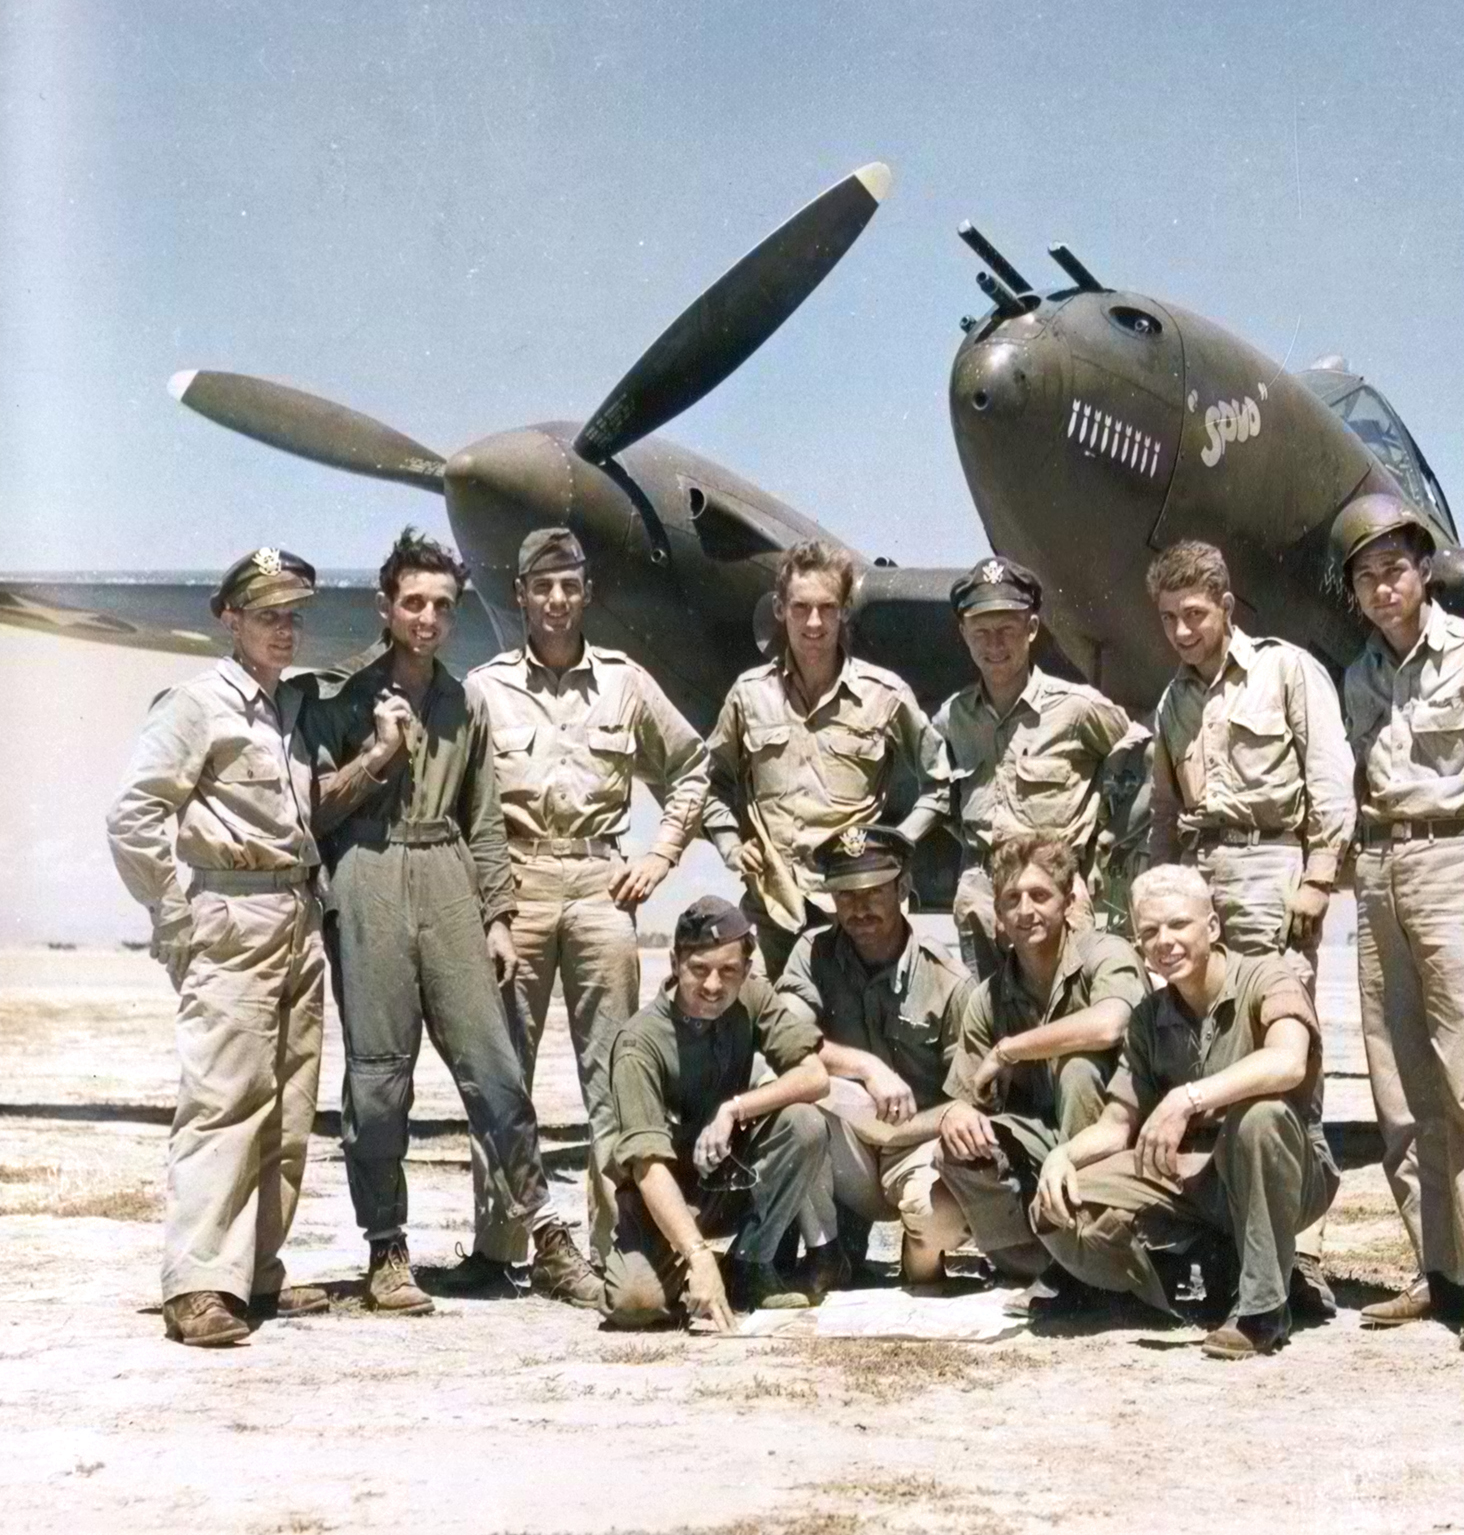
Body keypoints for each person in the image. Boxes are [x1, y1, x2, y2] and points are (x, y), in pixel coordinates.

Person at [303, 527, 601, 1314]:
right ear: (384, 607)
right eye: (413, 602)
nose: (427, 617)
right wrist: (379, 756)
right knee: (377, 1079)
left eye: (441, 604)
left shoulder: (464, 702)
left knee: (495, 1068)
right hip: (366, 876)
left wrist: (499, 917)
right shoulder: (340, 696)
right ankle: (386, 1249)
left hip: (448, 877)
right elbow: (314, 811)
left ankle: (545, 1233)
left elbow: (485, 818)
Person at [463, 526, 711, 1271]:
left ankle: (617, 1248)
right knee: (504, 1070)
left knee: (613, 1070)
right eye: (543, 587)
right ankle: (502, 1245)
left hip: (602, 885)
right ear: (521, 596)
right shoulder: (485, 689)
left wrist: (660, 855)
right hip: (518, 889)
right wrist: (491, 906)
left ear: (587, 594)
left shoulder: (626, 683)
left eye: (570, 586)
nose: (557, 601)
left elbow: (693, 766)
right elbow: (460, 801)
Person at [1335, 492, 1464, 1352]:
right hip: (1381, 868)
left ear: (1424, 572)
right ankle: (1440, 1272)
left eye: (1395, 571)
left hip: (1463, 862)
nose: (1383, 590)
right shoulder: (1359, 677)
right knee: (1401, 1087)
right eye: (1366, 579)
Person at [106, 548, 331, 1347]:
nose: (285, 628)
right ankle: (199, 1284)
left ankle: (255, 1276)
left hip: (296, 916)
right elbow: (134, 817)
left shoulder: (283, 711)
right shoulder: (199, 703)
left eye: (292, 615)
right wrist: (176, 917)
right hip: (231, 920)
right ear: (229, 619)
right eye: (267, 614)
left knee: (289, 1108)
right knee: (223, 1103)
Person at [1144, 538, 1354, 1318]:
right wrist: (1160, 892)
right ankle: (1232, 1246)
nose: (1181, 632)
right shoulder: (1170, 704)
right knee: (1208, 1044)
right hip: (1203, 875)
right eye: (1167, 619)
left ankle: (1292, 1260)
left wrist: (1319, 875)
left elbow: (1330, 773)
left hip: (1274, 872)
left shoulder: (1287, 670)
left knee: (1282, 1057)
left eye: (1193, 615)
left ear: (1226, 607)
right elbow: (1165, 815)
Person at [1033, 866, 1338, 1359]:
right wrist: (1062, 1156)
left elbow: (1287, 1062)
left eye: (1179, 925)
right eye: (1149, 932)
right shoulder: (1150, 1017)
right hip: (1194, 1177)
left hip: (1285, 1169)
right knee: (1063, 1205)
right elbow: (1116, 1126)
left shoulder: (1266, 977)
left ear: (1212, 928)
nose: (1164, 942)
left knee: (1260, 1117)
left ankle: (1262, 1309)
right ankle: (1189, 1272)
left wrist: (1187, 1097)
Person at [702, 540, 947, 978]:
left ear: (844, 612)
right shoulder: (749, 695)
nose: (813, 623)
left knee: (860, 1041)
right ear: (779, 609)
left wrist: (898, 843)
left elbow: (940, 783)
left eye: (827, 608)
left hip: (857, 909)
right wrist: (729, 845)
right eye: (800, 608)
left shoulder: (884, 695)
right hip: (773, 908)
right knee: (776, 1037)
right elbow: (711, 783)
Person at [603, 896, 839, 1329]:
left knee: (805, 1124)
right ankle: (705, 1264)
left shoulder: (752, 997)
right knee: (636, 1303)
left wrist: (735, 1109)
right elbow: (649, 1168)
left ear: (746, 971)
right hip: (668, 1196)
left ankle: (749, 1265)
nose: (713, 985)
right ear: (675, 963)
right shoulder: (639, 1044)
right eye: (699, 969)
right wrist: (695, 1256)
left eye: (728, 971)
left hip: (730, 1180)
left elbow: (815, 1077)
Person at [933, 834, 1145, 1287]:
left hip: (1116, 1138)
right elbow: (967, 1094)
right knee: (956, 1148)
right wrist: (955, 1115)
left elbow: (1111, 1023)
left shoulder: (1104, 955)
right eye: (1012, 898)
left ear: (1068, 902)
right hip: (1040, 1143)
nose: (1026, 910)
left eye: (1040, 895)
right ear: (998, 911)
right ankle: (1046, 1261)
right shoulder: (989, 996)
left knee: (1079, 1069)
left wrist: (1010, 1049)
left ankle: (1096, 1244)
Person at [775, 825, 974, 1286]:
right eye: (845, 895)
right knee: (789, 1098)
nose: (858, 909)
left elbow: (970, 1100)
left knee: (936, 1216)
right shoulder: (813, 951)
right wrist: (867, 1066)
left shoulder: (947, 979)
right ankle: (827, 1253)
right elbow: (786, 1037)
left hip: (920, 1144)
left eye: (872, 893)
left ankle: (919, 1245)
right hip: (852, 1149)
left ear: (903, 889)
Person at [933, 555, 1144, 979]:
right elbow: (936, 790)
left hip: (1058, 883)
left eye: (1007, 630)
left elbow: (1140, 753)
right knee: (991, 1010)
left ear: (1031, 630)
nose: (994, 645)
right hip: (984, 888)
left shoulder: (1077, 708)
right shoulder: (953, 718)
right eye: (981, 632)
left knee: (1071, 1006)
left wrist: (1106, 843)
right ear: (964, 634)